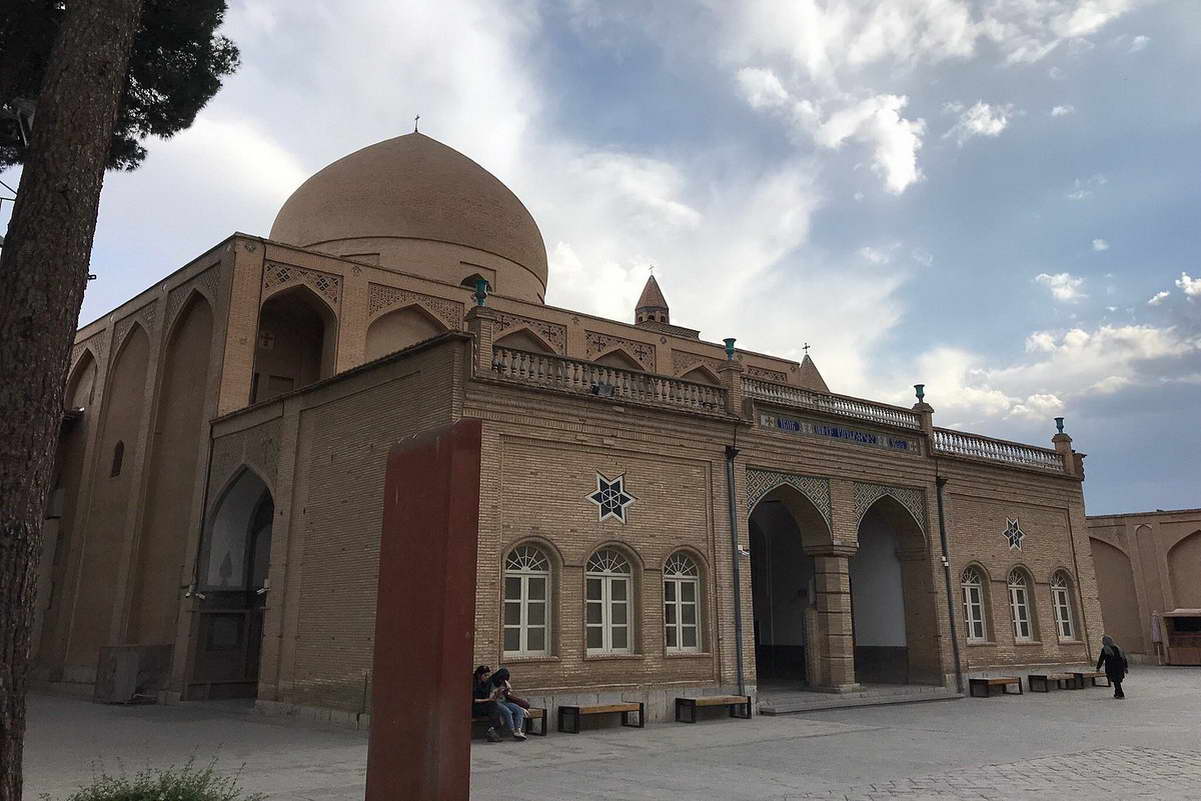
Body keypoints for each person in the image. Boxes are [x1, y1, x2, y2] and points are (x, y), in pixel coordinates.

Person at [489, 666, 528, 740]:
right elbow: (492, 698)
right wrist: (498, 691)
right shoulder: (492, 683)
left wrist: (507, 691)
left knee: (518, 710)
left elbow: (509, 694)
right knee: (507, 712)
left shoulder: (505, 682)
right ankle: (513, 731)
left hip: (504, 701)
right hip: (496, 702)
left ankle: (518, 730)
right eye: (501, 679)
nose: (502, 681)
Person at [472, 665, 503, 742]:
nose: (486, 677)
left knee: (494, 706)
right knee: (493, 707)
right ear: (479, 675)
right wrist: (488, 699)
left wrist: (498, 692)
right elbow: (473, 700)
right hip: (473, 707)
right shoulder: (473, 682)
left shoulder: (486, 683)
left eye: (488, 675)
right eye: (485, 675)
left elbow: (489, 697)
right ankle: (492, 730)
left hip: (483, 705)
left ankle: (492, 729)